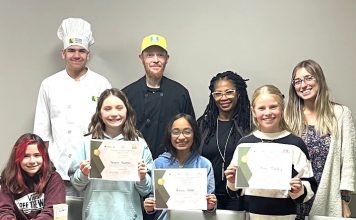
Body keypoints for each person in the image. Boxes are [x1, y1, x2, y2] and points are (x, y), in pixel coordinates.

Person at [33, 17, 111, 196]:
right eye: (71, 50)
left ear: (88, 55)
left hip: (92, 170)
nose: (77, 55)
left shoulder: (101, 84)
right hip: (57, 171)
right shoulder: (49, 84)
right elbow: (41, 132)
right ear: (63, 53)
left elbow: (111, 129)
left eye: (82, 51)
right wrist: (43, 170)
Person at [225, 85, 317, 220]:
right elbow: (235, 192)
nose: (267, 113)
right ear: (253, 111)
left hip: (285, 217)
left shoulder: (295, 145)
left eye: (273, 107)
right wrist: (232, 181)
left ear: (282, 108)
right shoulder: (245, 145)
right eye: (261, 108)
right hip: (251, 216)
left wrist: (299, 190)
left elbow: (310, 186)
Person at [285, 59, 356, 218]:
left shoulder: (340, 114)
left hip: (327, 195)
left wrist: (344, 201)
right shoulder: (287, 117)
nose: (303, 85)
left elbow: (348, 161)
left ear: (319, 79)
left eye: (308, 78)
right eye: (297, 81)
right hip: (293, 196)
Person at [69, 88, 153, 220]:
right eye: (107, 109)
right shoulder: (88, 143)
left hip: (129, 216)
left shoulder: (139, 144)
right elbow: (77, 185)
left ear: (127, 110)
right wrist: (84, 174)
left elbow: (146, 190)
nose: (114, 113)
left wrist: (142, 177)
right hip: (95, 215)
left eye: (119, 108)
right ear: (100, 114)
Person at [122, 33, 195, 160]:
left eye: (160, 55)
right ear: (141, 58)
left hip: (171, 164)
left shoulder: (180, 93)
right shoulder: (127, 94)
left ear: (167, 58)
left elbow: (191, 133)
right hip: (135, 164)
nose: (155, 60)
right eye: (150, 55)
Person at [143, 113, 217, 220]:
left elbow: (210, 205)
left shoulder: (204, 164)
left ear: (194, 134)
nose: (181, 137)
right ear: (170, 135)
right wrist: (149, 206)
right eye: (176, 132)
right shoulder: (159, 164)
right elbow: (153, 200)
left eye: (187, 132)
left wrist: (210, 206)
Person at [197, 71, 251, 210]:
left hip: (239, 197)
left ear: (238, 93)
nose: (223, 98)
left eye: (229, 92)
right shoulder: (204, 125)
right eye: (218, 93)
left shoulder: (249, 126)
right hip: (208, 196)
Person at [0, 133, 65, 220]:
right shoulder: (8, 178)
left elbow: (51, 211)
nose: (32, 161)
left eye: (37, 155)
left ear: (44, 157)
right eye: (26, 156)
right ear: (17, 158)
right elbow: (4, 211)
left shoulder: (54, 178)